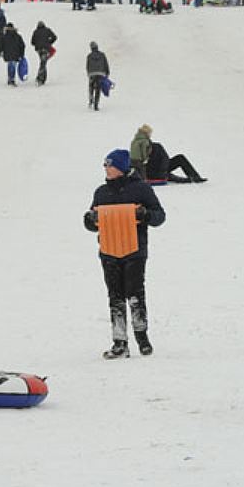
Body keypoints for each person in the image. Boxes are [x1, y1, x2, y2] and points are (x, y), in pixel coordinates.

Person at [83, 149, 166, 358]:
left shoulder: (141, 189)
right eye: (105, 164)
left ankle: (142, 338)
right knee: (115, 298)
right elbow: (94, 220)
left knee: (135, 295)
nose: (105, 168)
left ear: (120, 167)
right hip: (109, 251)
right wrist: (89, 221)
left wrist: (145, 214)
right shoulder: (101, 192)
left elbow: (159, 216)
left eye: (109, 164)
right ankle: (119, 342)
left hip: (134, 250)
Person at [130, 124, 207, 183]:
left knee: (176, 159)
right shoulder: (152, 145)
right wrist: (162, 174)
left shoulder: (134, 143)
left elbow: (136, 163)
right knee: (180, 158)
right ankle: (195, 177)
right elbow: (164, 159)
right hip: (157, 173)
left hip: (148, 172)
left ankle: (191, 178)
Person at [30, 21, 57, 86]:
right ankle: (41, 78)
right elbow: (54, 37)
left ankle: (41, 78)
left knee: (43, 62)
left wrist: (37, 44)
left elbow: (32, 42)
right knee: (43, 63)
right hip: (46, 48)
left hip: (39, 49)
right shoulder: (47, 30)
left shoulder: (35, 31)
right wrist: (49, 42)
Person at [86, 41, 109, 111]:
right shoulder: (102, 55)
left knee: (91, 86)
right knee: (98, 89)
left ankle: (90, 98)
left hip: (92, 74)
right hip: (100, 74)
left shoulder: (89, 56)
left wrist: (89, 73)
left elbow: (87, 66)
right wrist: (107, 73)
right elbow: (106, 64)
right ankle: (96, 104)